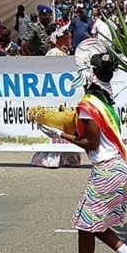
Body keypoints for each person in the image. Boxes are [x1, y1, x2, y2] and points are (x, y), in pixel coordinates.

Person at [40, 52, 127, 253]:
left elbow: (90, 142)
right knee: (90, 224)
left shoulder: (88, 104)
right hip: (116, 167)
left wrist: (58, 135)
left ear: (90, 74)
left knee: (85, 224)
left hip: (106, 171)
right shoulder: (104, 97)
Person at [30, 27, 81, 169]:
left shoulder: (61, 52)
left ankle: (66, 157)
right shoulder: (55, 53)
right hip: (56, 92)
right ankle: (52, 158)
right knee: (57, 124)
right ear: (61, 39)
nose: (70, 41)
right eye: (68, 38)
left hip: (63, 93)